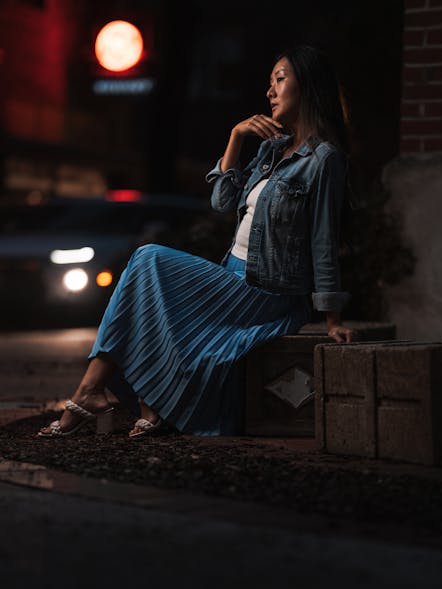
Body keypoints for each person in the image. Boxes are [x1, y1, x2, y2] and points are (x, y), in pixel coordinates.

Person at [37, 44, 358, 440]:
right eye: (269, 83)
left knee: (147, 259)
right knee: (147, 283)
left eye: (279, 79)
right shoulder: (272, 150)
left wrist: (331, 317)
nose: (270, 92)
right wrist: (236, 138)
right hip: (233, 276)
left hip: (267, 293)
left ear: (308, 86)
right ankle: (110, 394)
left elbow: (324, 239)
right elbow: (221, 202)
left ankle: (95, 392)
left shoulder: (325, 159)